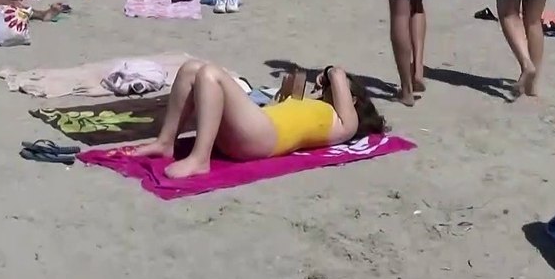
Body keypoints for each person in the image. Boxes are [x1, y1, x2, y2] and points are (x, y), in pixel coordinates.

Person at [134, 61, 387, 179]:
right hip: (257, 127)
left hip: (262, 139)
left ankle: (200, 159)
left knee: (210, 74)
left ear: (353, 100)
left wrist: (329, 73)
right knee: (192, 69)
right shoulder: (318, 108)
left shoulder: (345, 123)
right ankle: (166, 141)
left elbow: (339, 72)